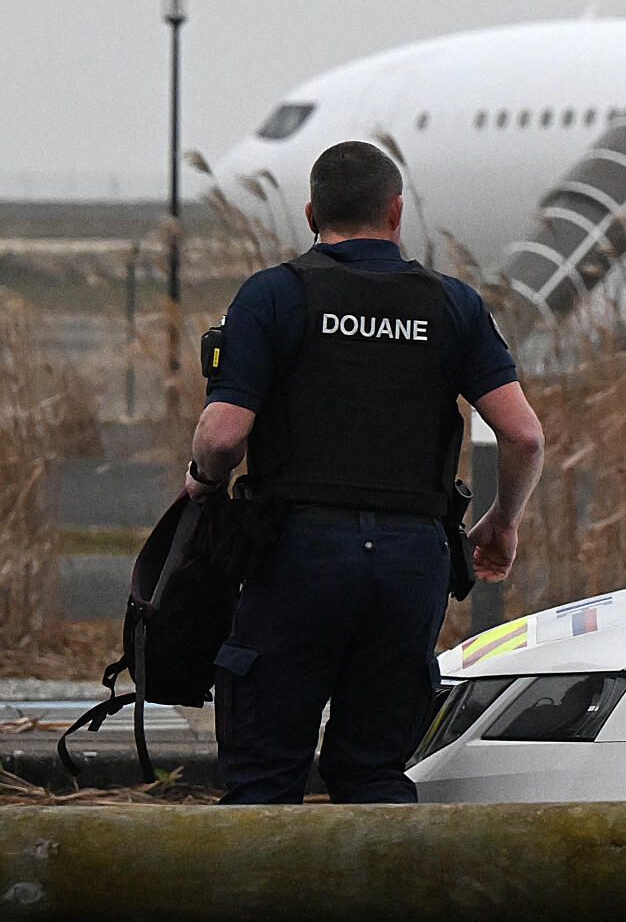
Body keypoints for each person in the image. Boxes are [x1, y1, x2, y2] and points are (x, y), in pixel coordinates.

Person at [182, 140, 545, 804]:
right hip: (412, 561)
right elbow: (524, 433)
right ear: (396, 212)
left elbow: (224, 433)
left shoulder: (274, 295)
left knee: (264, 780)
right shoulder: (452, 303)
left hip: (297, 554)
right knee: (374, 775)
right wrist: (502, 521)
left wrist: (201, 481)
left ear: (313, 211)